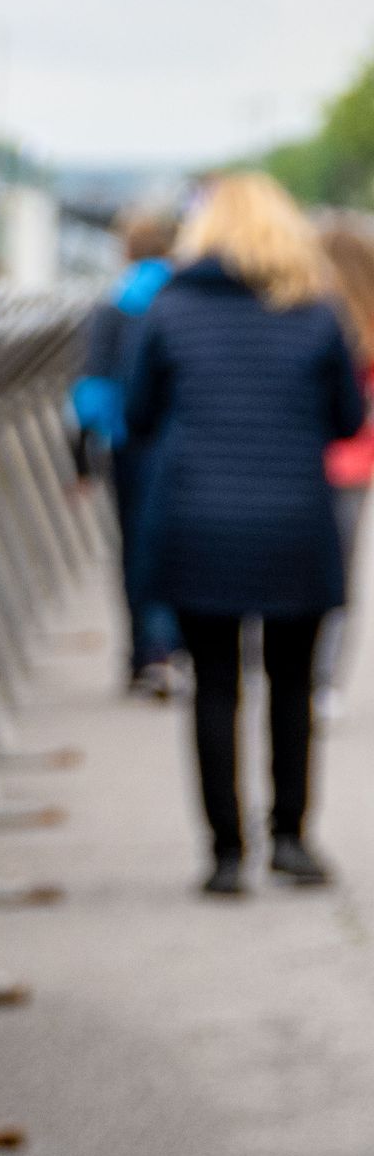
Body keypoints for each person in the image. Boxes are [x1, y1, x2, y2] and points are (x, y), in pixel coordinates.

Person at [127, 173, 367, 894]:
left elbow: (139, 416)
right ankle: (292, 837)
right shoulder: (319, 312)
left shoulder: (169, 309)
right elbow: (349, 420)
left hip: (200, 520)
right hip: (295, 519)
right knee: (292, 681)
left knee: (216, 684)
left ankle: (226, 852)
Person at [77, 203, 181, 695]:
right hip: (185, 441)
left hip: (130, 443)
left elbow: (92, 390)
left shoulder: (115, 304)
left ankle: (146, 653)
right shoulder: (186, 298)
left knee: (136, 546)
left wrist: (79, 457)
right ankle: (178, 646)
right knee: (182, 543)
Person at [317, 219, 374, 718]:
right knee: (341, 574)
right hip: (355, 463)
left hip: (303, 458)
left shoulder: (309, 314)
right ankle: (328, 683)